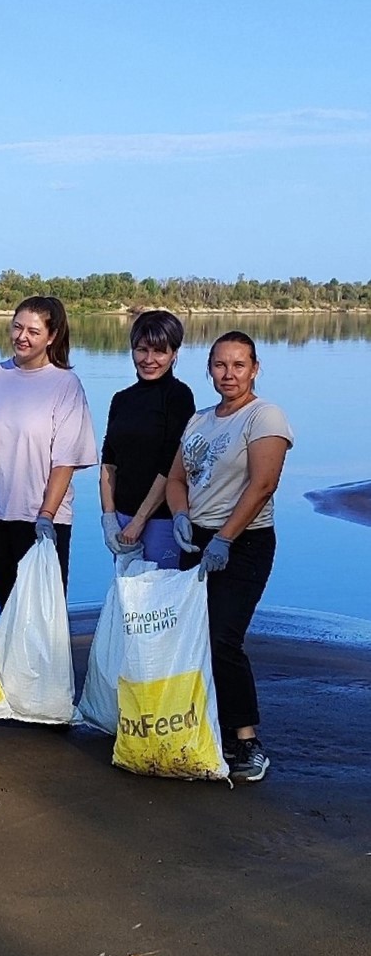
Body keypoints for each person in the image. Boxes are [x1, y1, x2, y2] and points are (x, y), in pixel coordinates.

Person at [166, 331, 293, 783]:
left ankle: (247, 740)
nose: (229, 374)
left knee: (223, 636)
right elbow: (176, 479)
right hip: (196, 540)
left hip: (245, 543)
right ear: (209, 369)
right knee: (195, 637)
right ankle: (206, 729)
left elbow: (263, 484)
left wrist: (224, 538)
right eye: (220, 365)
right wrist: (181, 517)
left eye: (239, 365)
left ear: (254, 368)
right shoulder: (200, 420)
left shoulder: (265, 416)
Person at [0, 295, 98, 609]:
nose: (22, 337)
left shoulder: (66, 385)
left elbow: (65, 462)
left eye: (33, 331)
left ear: (52, 336)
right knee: (8, 606)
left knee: (43, 612)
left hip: (38, 517)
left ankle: (49, 662)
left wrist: (46, 515)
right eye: (17, 327)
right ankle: (13, 660)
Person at [100, 310, 196, 567]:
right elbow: (109, 462)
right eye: (141, 350)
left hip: (161, 520)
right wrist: (109, 518)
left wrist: (139, 521)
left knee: (159, 603)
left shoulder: (179, 396)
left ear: (174, 354)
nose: (149, 359)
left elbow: (171, 466)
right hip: (122, 519)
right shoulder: (121, 399)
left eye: (159, 351)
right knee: (127, 599)